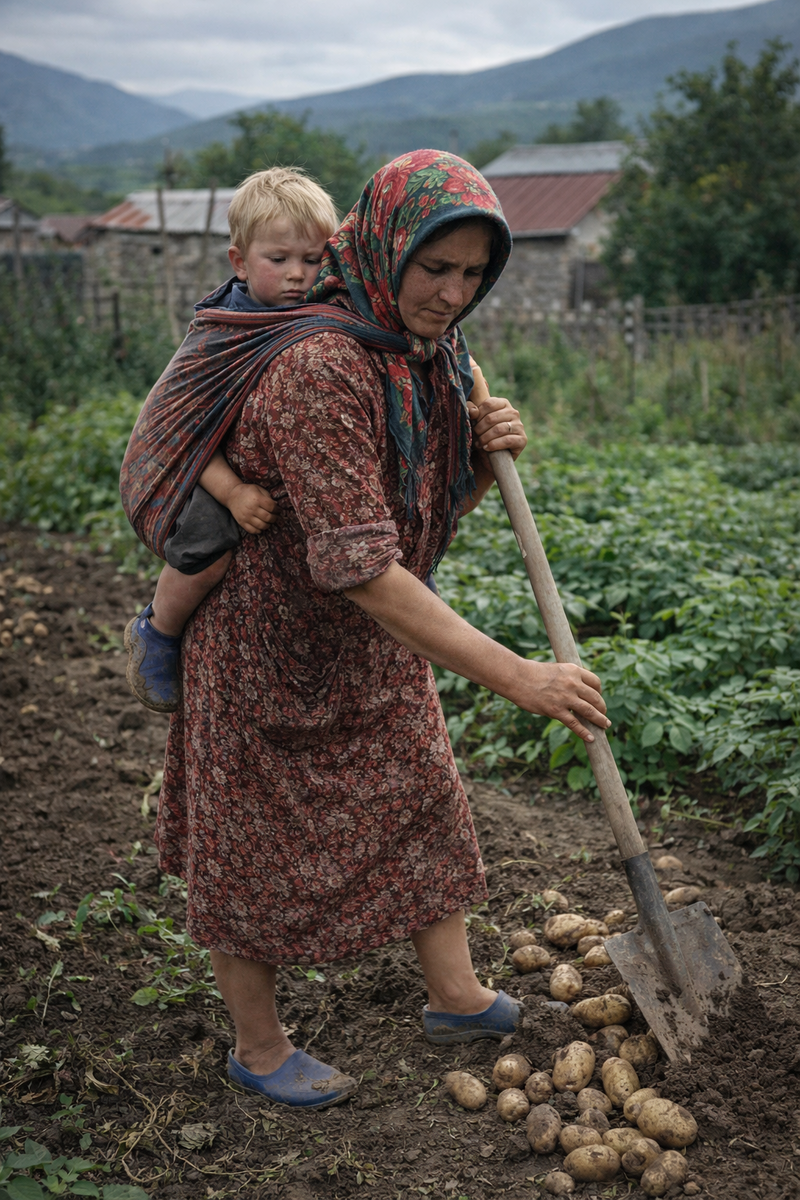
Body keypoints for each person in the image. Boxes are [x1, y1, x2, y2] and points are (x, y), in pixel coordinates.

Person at [152, 150, 609, 1111]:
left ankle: (455, 996)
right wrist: (519, 677)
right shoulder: (320, 365)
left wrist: (481, 466)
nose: (453, 293)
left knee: (422, 796)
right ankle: (260, 1047)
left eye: (474, 273)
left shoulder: (422, 355)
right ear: (385, 246)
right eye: (435, 268)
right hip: (265, 648)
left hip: (366, 639)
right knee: (251, 845)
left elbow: (403, 526)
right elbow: (359, 563)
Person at [124, 167, 338, 714]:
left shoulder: (315, 316)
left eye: (313, 260)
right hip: (203, 469)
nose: (298, 275)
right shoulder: (227, 329)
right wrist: (234, 492)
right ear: (240, 262)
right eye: (280, 259)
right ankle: (158, 630)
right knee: (208, 546)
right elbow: (185, 433)